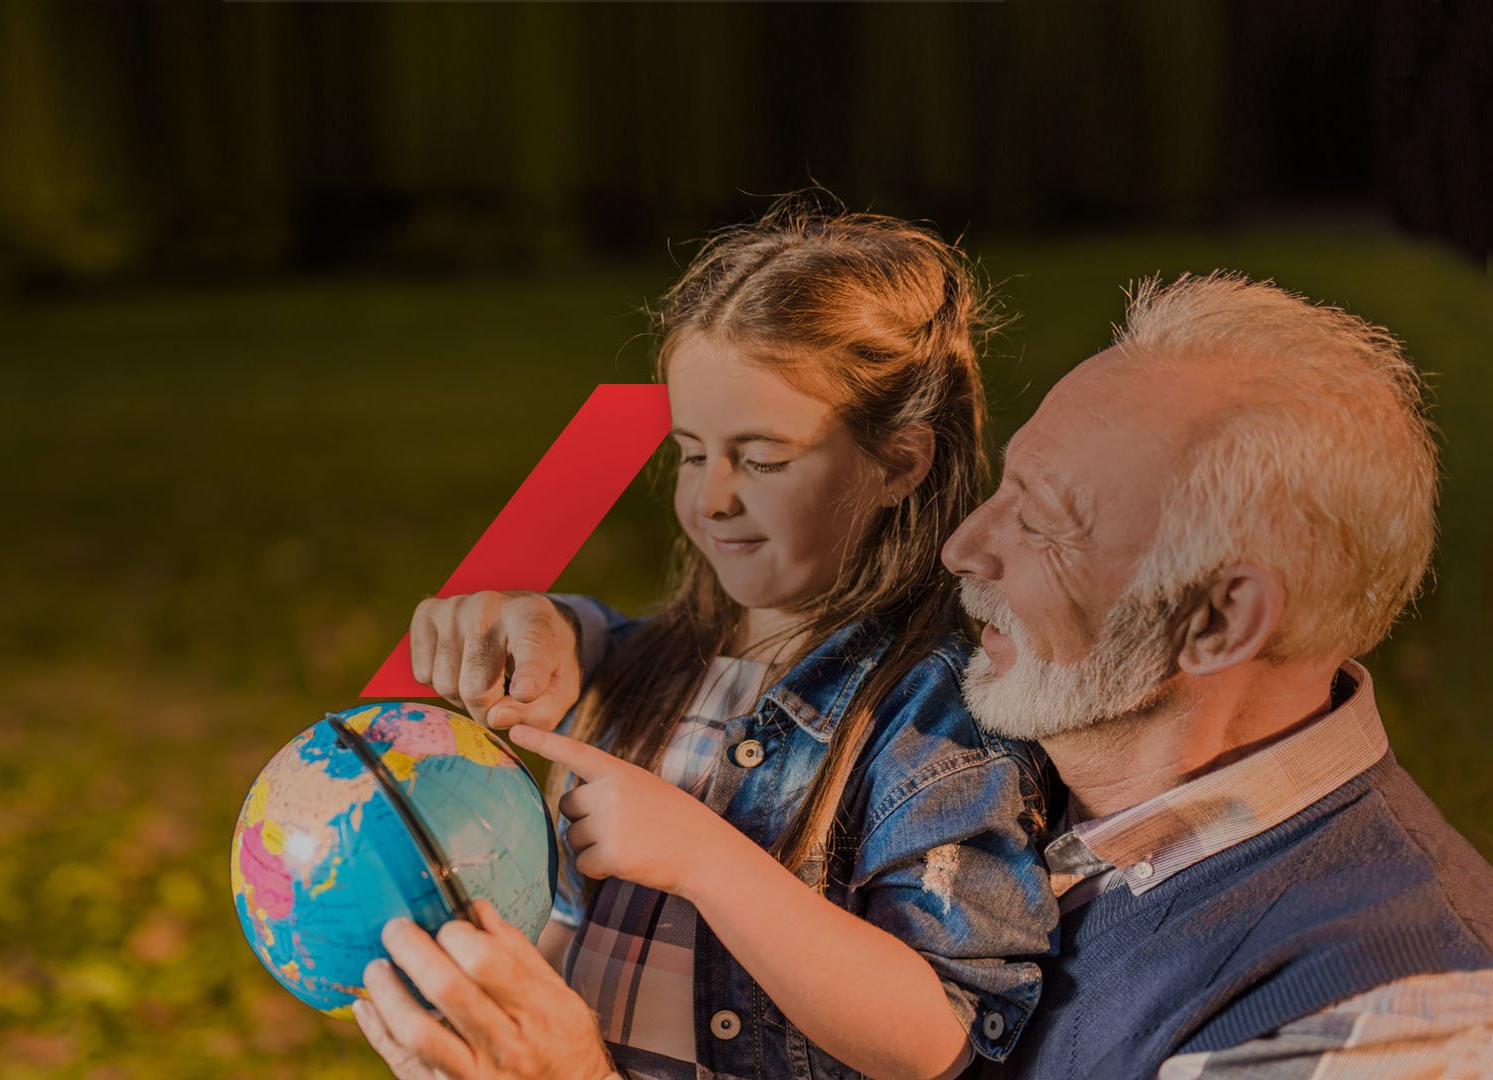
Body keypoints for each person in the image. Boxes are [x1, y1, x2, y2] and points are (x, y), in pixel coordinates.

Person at [355, 201, 1059, 1080]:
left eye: (762, 458)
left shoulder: (937, 719)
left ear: (898, 463)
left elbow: (944, 1037)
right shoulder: (661, 665)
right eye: (692, 452)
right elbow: (602, 637)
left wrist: (706, 859)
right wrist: (551, 626)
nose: (713, 499)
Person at [939, 272, 1493, 1076]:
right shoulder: (962, 767)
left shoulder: (1391, 1017)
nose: (964, 547)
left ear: (1217, 621)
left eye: (1041, 524)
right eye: (1004, 488)